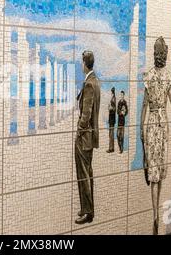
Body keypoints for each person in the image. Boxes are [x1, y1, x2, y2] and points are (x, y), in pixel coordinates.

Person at [140, 37, 171, 235]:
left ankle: (156, 212)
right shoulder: (166, 77)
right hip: (162, 122)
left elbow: (145, 105)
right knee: (158, 170)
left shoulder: (149, 76)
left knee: (154, 171)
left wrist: (141, 127)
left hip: (154, 123)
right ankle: (156, 213)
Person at [75, 50, 100, 225]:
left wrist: (79, 129)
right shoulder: (94, 81)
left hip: (84, 137)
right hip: (90, 137)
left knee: (83, 174)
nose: (81, 65)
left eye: (81, 62)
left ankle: (87, 212)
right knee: (87, 172)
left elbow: (86, 113)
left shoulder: (90, 84)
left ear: (85, 64)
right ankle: (88, 208)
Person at [106, 87, 116, 153]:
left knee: (111, 134)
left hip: (112, 119)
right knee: (110, 133)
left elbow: (113, 108)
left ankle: (111, 148)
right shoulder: (113, 99)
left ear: (112, 93)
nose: (111, 94)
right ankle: (111, 148)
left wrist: (109, 107)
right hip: (111, 119)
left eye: (111, 93)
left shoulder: (113, 99)